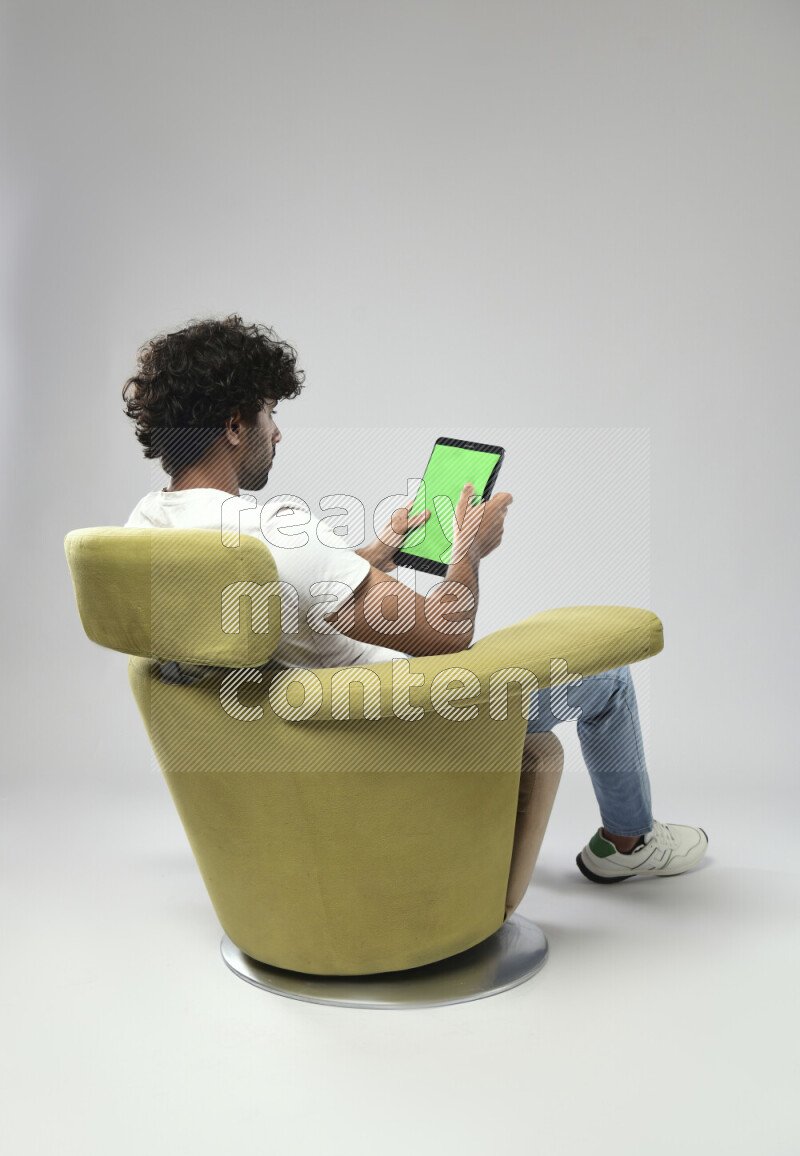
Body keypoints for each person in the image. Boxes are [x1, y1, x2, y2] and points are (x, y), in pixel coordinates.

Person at [122, 314, 708, 886]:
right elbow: (446, 632)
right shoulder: (280, 530)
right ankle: (630, 845)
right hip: (405, 722)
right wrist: (468, 550)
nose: (277, 432)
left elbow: (281, 594)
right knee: (607, 675)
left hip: (289, 746)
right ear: (232, 426)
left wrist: (377, 552)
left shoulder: (146, 528)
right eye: (268, 413)